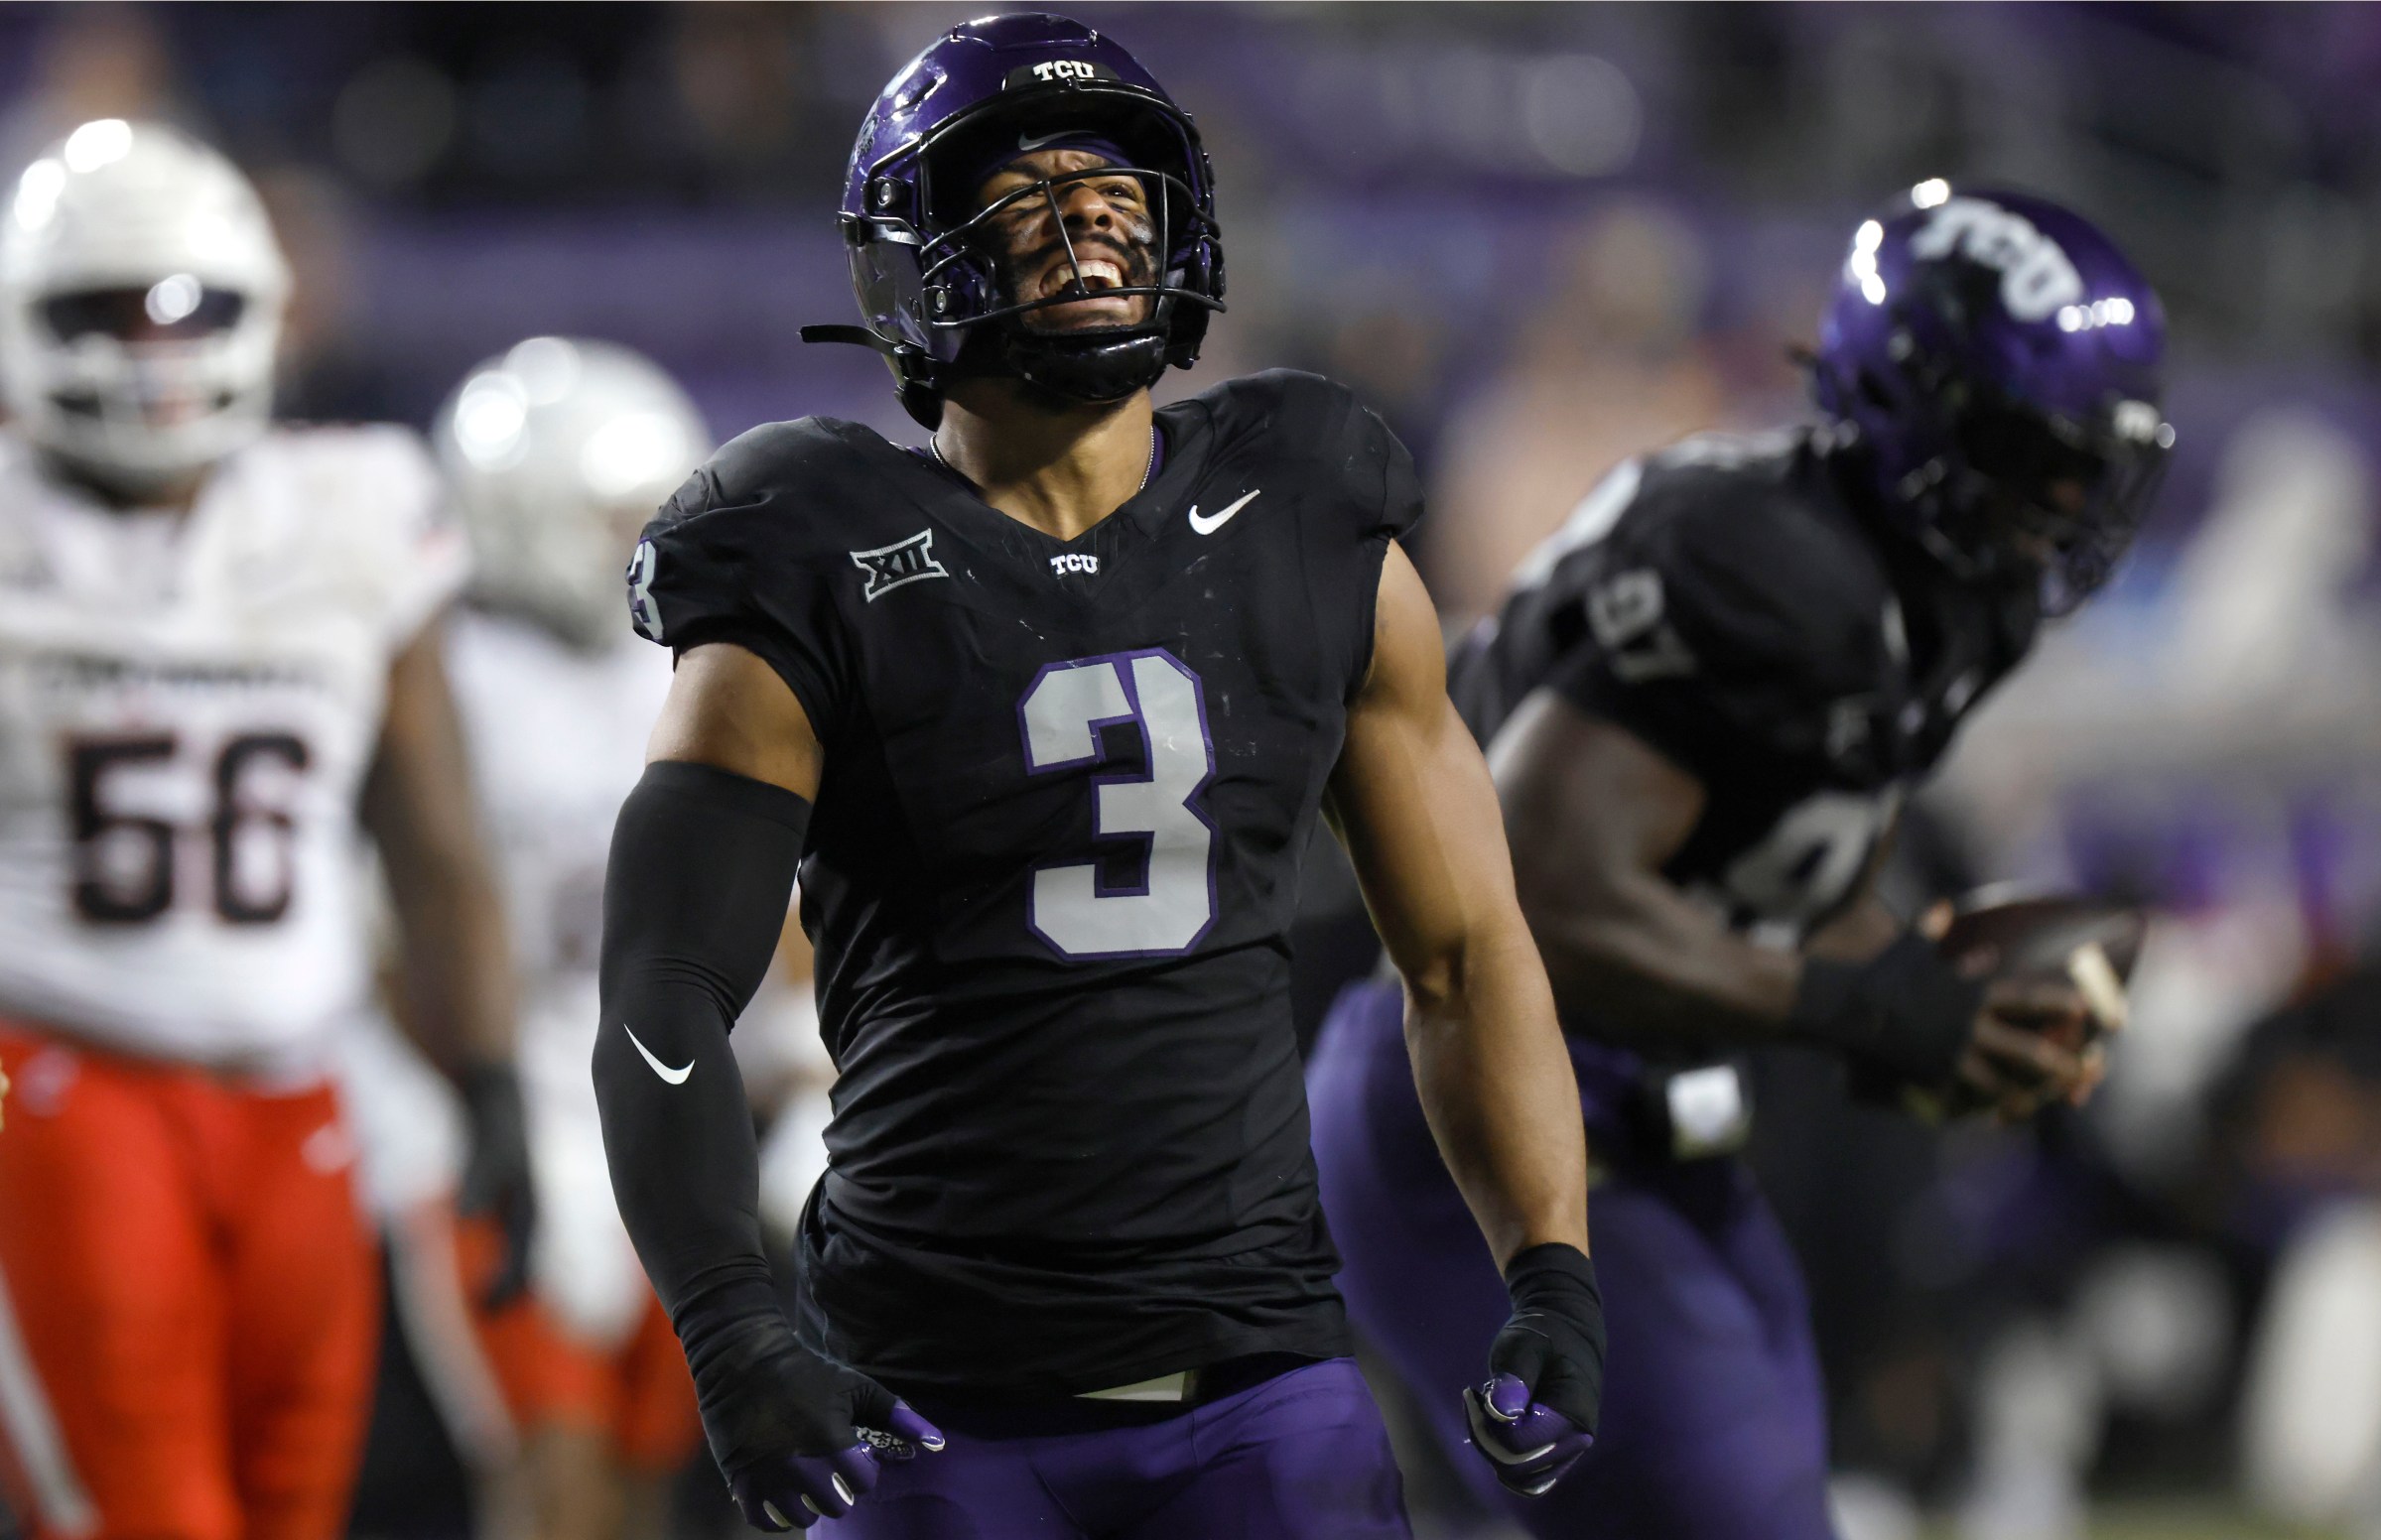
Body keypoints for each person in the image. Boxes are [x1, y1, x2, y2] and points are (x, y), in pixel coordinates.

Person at [593, 14, 1604, 1536]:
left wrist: (1551, 1268)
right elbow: (663, 990)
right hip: (925, 1397)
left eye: (1116, 185)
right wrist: (732, 1327)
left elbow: (1463, 954)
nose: (1088, 222)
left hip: (1258, 1383)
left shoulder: (1305, 510)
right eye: (1024, 193)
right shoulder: (812, 543)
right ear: (910, 260)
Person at [1307, 185, 2175, 1539]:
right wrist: (1870, 1007)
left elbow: (1781, 886)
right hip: (1475, 1108)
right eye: (2031, 457)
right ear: (1911, 408)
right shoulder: (1770, 565)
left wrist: (1935, 994)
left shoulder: (1940, 591)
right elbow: (1524, 906)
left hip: (1652, 1109)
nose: (2061, 505)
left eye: (2088, 470)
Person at [0, 121, 531, 1540]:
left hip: (300, 1092)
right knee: (145, 1515)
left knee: (293, 1509)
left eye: (188, 310)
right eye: (107, 311)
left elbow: (433, 838)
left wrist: (492, 1080)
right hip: (58, 1083)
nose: (152, 351)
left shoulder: (352, 507)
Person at [355, 337, 721, 1539]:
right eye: (618, 515)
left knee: (657, 1474)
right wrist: (488, 1103)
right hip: (491, 1120)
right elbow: (390, 939)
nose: (645, 541)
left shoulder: (686, 668)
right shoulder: (445, 673)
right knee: (549, 1472)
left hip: (658, 1116)